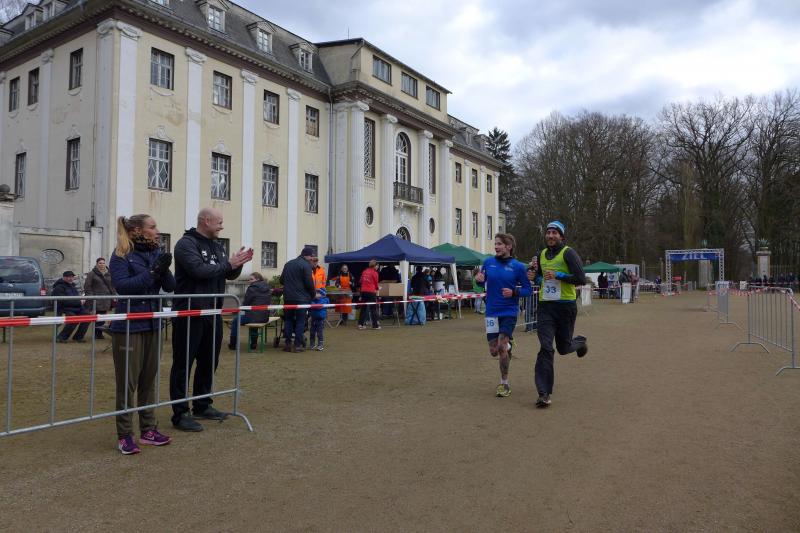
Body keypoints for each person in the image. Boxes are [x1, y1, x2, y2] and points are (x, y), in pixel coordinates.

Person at [170, 207, 253, 432]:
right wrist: (228, 265)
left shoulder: (217, 246)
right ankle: (180, 412)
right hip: (190, 313)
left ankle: (202, 404)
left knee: (209, 361)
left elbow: (227, 272)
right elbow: (199, 271)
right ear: (206, 221)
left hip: (213, 313)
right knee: (183, 364)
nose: (222, 226)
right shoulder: (186, 244)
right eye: (219, 222)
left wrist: (238, 263)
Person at [109, 214, 175, 454]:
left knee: (149, 380)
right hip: (129, 326)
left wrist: (164, 268)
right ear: (137, 230)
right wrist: (152, 272)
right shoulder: (121, 255)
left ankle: (148, 429)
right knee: (127, 383)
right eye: (153, 227)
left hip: (153, 324)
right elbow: (124, 287)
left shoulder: (155, 253)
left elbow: (170, 287)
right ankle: (125, 434)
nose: (157, 231)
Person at [528, 221, 589, 409]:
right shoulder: (541, 254)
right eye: (548, 232)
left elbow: (581, 279)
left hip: (565, 308)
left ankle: (580, 342)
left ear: (561, 236)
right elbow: (539, 277)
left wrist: (559, 275)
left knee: (563, 348)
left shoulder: (568, 253)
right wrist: (536, 277)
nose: (550, 236)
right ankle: (544, 393)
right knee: (546, 347)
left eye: (555, 233)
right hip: (546, 307)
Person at [474, 233, 532, 398]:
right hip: (492, 311)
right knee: (494, 351)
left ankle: (504, 383)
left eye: (499, 244)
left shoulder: (518, 267)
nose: (496, 247)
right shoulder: (488, 262)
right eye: (495, 244)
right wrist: (478, 280)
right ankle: (508, 346)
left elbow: (528, 290)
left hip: (509, 311)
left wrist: (514, 292)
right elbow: (481, 283)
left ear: (509, 246)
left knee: (501, 347)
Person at [279, 246, 316, 352]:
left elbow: (281, 280)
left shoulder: (288, 264)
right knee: (300, 321)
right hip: (301, 298)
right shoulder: (306, 265)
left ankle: (287, 344)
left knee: (288, 320)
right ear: (307, 256)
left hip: (288, 298)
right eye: (311, 257)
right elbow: (309, 283)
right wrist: (313, 294)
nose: (312, 259)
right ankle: (297, 345)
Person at [228, 272, 271, 351]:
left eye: (251, 279)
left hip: (253, 316)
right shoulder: (267, 287)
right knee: (254, 318)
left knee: (235, 321)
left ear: (257, 279)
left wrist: (238, 310)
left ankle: (233, 344)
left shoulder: (252, 288)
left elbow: (246, 304)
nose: (249, 281)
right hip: (264, 317)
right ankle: (253, 343)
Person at [83, 257, 116, 339]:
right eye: (100, 263)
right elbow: (87, 286)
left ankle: (99, 333)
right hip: (97, 299)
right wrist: (90, 297)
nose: (102, 264)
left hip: (107, 298)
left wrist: (114, 295)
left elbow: (112, 285)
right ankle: (96, 333)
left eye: (103, 263)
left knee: (103, 316)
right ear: (97, 264)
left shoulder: (109, 273)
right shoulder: (92, 273)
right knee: (98, 316)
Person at [52, 271, 89, 343]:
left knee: (88, 316)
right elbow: (63, 301)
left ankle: (78, 337)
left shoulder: (72, 286)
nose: (71, 278)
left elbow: (75, 298)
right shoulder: (58, 288)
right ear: (64, 277)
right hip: (65, 309)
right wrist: (79, 302)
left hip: (76, 308)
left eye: (72, 277)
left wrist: (81, 301)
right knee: (73, 319)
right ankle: (61, 337)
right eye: (68, 277)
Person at [358, 259, 380, 330]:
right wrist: (377, 288)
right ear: (375, 265)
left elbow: (361, 281)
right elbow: (376, 283)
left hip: (363, 291)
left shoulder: (364, 271)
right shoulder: (375, 273)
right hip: (371, 292)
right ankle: (375, 325)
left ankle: (360, 324)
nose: (378, 267)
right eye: (377, 266)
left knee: (363, 308)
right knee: (373, 308)